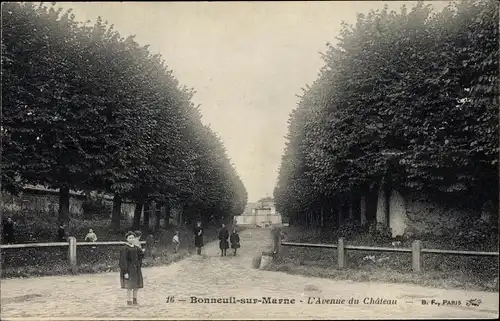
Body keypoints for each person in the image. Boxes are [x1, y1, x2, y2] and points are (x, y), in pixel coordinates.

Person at [119, 231, 144, 306]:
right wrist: (125, 271)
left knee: (136, 285)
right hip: (129, 269)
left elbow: (141, 255)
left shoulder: (136, 248)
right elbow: (123, 260)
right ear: (127, 239)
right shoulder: (124, 248)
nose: (131, 239)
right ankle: (129, 301)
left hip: (136, 269)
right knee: (129, 286)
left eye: (133, 238)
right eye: (130, 238)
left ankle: (135, 299)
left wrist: (139, 264)